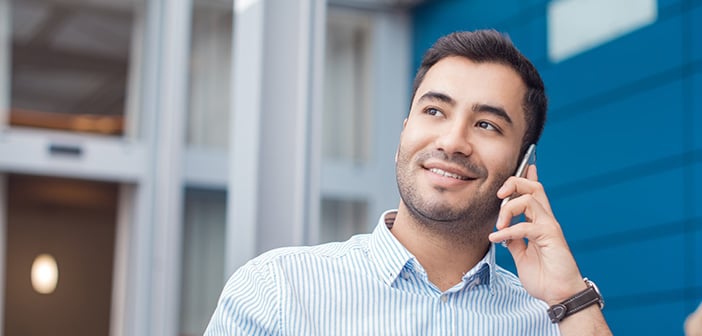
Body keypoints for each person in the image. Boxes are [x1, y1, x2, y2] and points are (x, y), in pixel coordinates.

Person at [205, 29, 612, 335]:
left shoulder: (556, 317)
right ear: (403, 136)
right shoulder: (278, 290)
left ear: (523, 166)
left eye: (486, 124)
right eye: (434, 111)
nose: (453, 141)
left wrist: (569, 299)